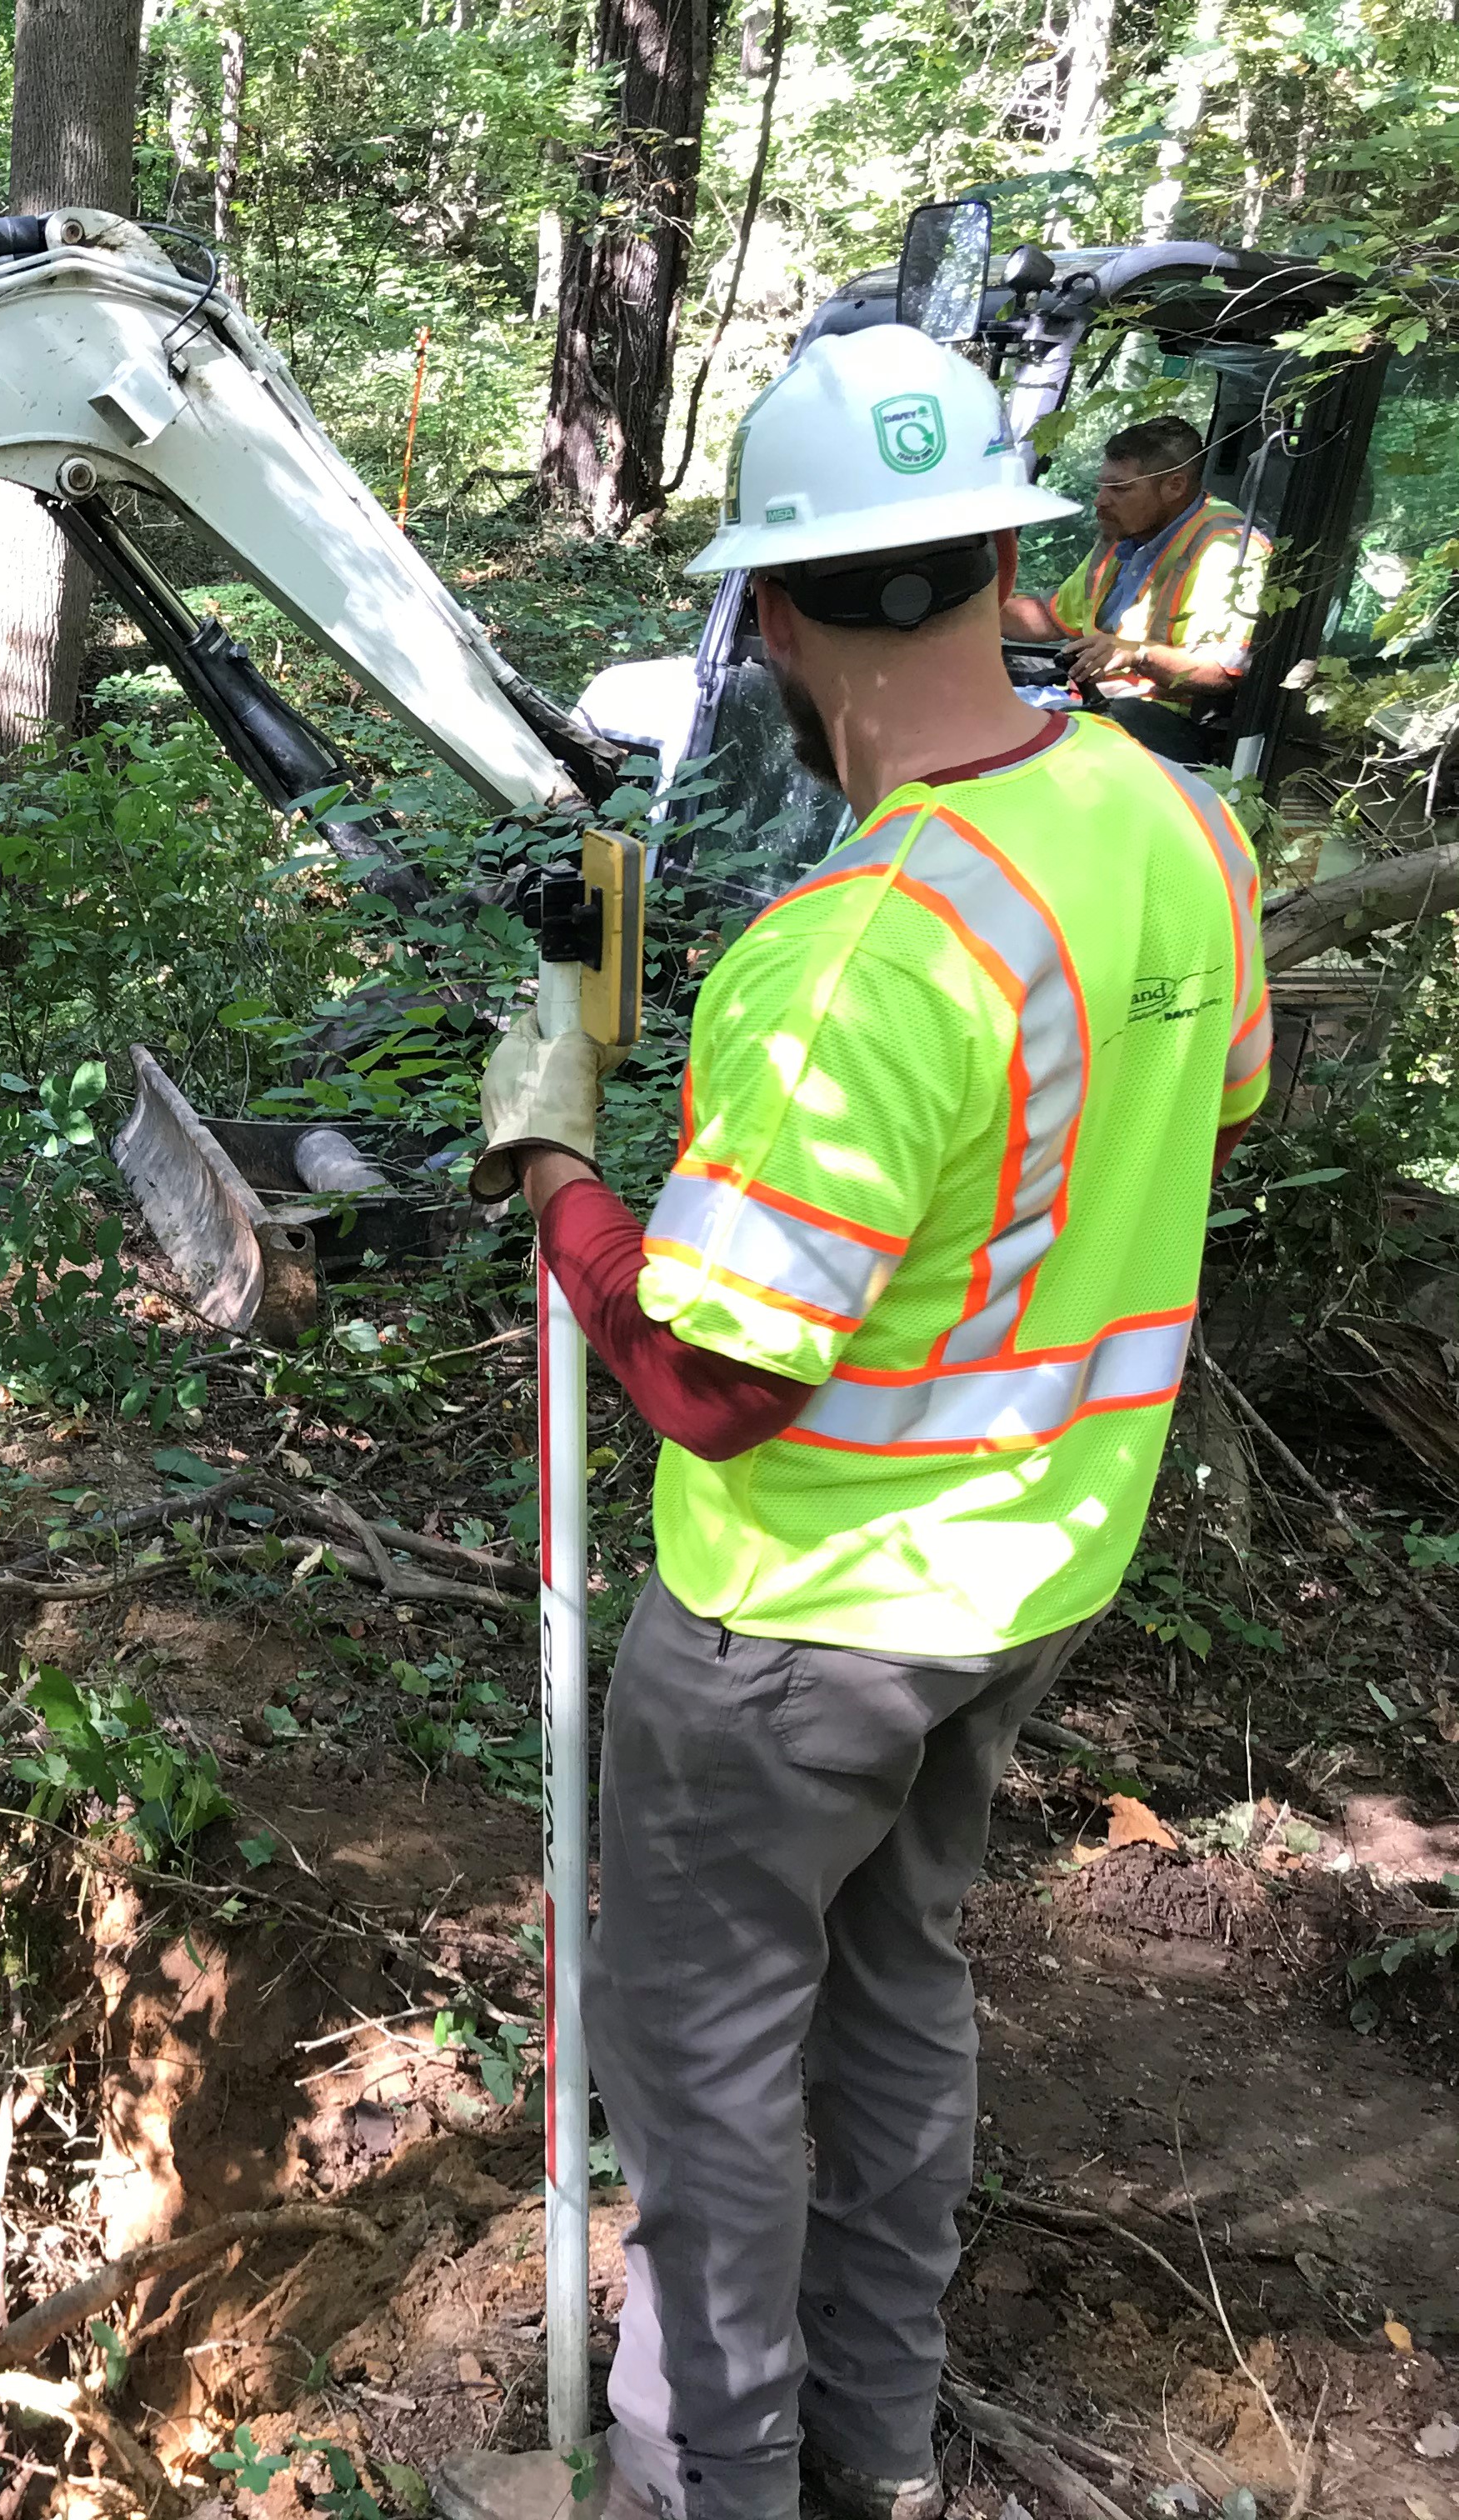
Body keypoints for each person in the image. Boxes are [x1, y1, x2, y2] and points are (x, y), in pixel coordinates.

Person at [436, 326, 1271, 2520]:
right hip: (1034, 1575)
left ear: (777, 611)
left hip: (799, 1629)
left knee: (708, 2114)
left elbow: (714, 1379)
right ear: (1010, 551)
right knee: (898, 2001)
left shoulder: (856, 951)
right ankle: (872, 2458)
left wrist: (559, 1169)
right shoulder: (1186, 825)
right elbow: (1215, 1091)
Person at [997, 413, 1268, 762]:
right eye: (1102, 486)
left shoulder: (1225, 548)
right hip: (1098, 702)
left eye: (1121, 489)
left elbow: (1220, 674)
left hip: (1166, 725)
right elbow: (1051, 618)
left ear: (1174, 486)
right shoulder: (1124, 532)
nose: (1100, 501)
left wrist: (1138, 653)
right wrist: (967, 610)